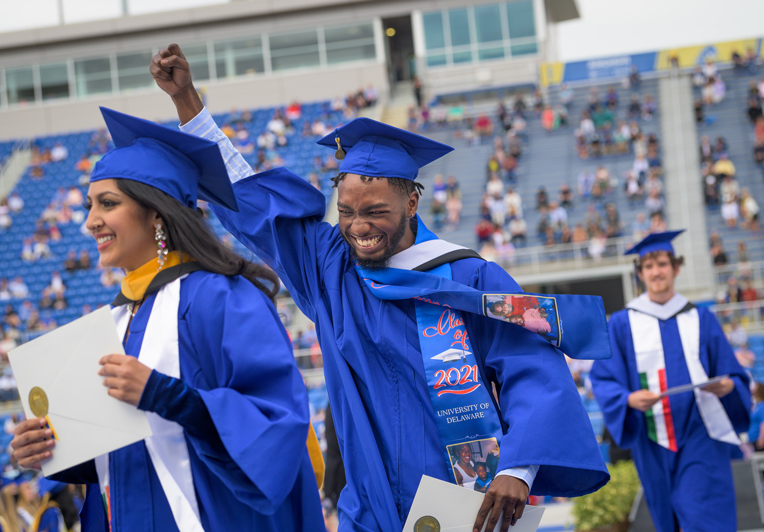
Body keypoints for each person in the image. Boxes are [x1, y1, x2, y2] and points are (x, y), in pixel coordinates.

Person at [151, 44, 609, 532]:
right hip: (366, 509)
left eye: (375, 212)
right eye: (346, 212)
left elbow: (531, 367)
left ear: (412, 202)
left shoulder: (467, 278)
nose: (358, 227)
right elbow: (255, 205)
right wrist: (188, 103)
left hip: (462, 503)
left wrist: (518, 468)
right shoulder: (331, 271)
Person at [10, 106, 325, 532]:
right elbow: (135, 455)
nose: (89, 221)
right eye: (89, 205)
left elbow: (276, 427)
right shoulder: (117, 318)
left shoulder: (223, 298)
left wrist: (168, 397)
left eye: (108, 203)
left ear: (156, 213)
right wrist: (53, 451)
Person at [590, 230, 751, 532]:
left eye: (662, 264)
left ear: (675, 267)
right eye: (649, 267)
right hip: (652, 436)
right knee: (668, 520)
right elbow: (603, 378)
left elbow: (733, 376)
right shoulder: (623, 323)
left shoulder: (701, 318)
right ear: (640, 273)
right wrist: (627, 399)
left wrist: (728, 386)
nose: (656, 272)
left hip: (700, 431)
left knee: (704, 514)